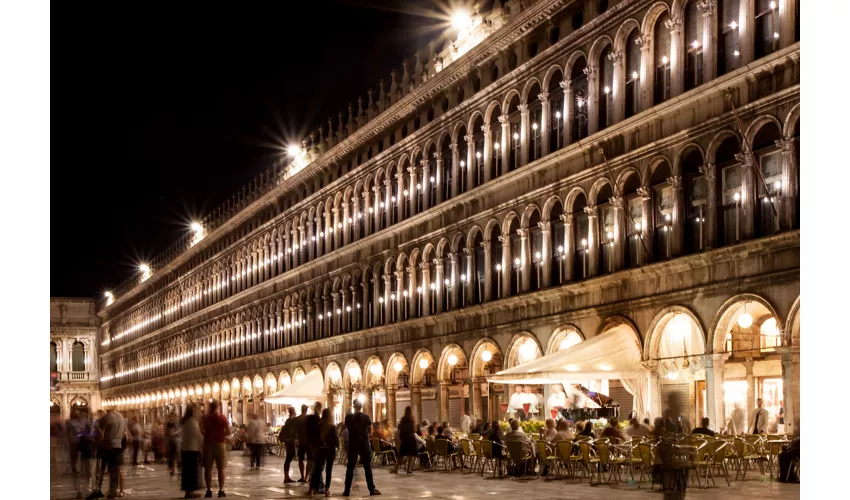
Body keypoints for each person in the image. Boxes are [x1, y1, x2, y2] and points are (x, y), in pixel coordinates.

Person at [342, 399, 380, 496]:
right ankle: (371, 489)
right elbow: (370, 431)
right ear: (361, 406)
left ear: (353, 406)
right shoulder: (366, 417)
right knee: (367, 467)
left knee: (350, 468)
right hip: (364, 444)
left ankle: (347, 490)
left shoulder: (348, 418)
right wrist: (367, 435)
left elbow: (347, 427)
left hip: (353, 444)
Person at [202, 400, 230, 498]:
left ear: (210, 407)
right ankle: (221, 490)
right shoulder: (222, 417)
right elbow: (229, 431)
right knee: (221, 468)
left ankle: (208, 490)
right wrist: (222, 435)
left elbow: (201, 429)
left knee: (207, 469)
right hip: (220, 444)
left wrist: (207, 435)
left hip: (208, 444)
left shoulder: (206, 418)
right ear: (217, 406)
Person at [309, 408, 338, 497]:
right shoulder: (332, 426)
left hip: (320, 450)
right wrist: (337, 446)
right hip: (330, 450)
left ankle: (312, 489)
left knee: (317, 469)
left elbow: (315, 438)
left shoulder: (319, 426)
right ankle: (327, 489)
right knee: (328, 470)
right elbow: (336, 440)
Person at [99, 407, 126, 499]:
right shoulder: (121, 416)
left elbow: (99, 426)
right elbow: (123, 433)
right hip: (117, 446)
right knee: (114, 470)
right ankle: (113, 491)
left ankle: (98, 489)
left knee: (102, 469)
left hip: (108, 446)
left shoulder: (108, 416)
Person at [181, 404, 203, 499]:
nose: (200, 412)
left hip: (186, 449)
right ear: (193, 412)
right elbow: (197, 436)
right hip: (191, 449)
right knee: (191, 471)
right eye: (198, 410)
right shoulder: (192, 422)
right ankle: (190, 492)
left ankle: (189, 491)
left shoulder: (186, 421)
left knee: (188, 471)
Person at [306, 402, 324, 496]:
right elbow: (318, 433)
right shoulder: (316, 419)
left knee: (315, 465)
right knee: (317, 466)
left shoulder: (310, 418)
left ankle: (317, 485)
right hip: (317, 445)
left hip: (311, 444)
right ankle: (315, 486)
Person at [393, 407, 417, 474]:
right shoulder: (412, 420)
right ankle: (408, 469)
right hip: (410, 438)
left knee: (401, 455)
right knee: (410, 456)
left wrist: (402, 437)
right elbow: (413, 430)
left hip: (404, 439)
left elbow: (401, 429)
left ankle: (396, 468)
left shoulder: (403, 419)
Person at [279, 407, 298, 483]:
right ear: (293, 412)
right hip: (290, 440)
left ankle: (286, 476)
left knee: (289, 458)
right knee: (289, 458)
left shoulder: (288, 420)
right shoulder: (292, 420)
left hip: (288, 440)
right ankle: (286, 477)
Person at [294, 404, 311, 483]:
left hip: (301, 441)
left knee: (301, 459)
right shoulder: (309, 418)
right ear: (306, 409)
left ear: (301, 409)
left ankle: (302, 476)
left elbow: (295, 431)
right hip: (309, 441)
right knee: (309, 459)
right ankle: (307, 476)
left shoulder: (297, 419)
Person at [166, 411, 181, 476]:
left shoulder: (175, 423)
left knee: (174, 455)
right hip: (173, 441)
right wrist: (179, 431)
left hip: (175, 440)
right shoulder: (170, 424)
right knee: (175, 455)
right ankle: (174, 469)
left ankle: (174, 469)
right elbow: (171, 433)